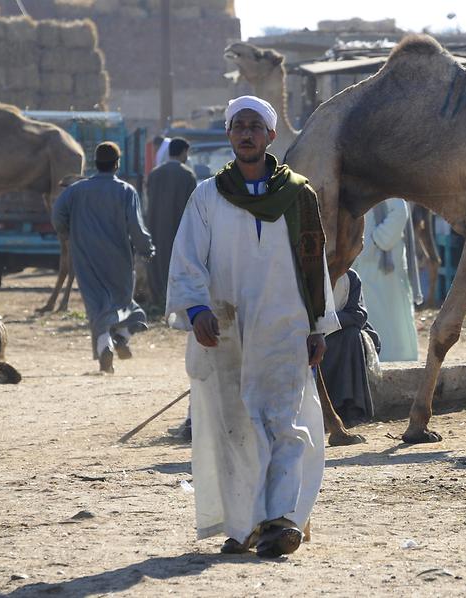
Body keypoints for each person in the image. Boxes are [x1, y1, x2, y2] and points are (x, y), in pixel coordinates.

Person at [165, 95, 338, 557]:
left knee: (283, 422)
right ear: (229, 134)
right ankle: (243, 525)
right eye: (238, 125)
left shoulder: (299, 195)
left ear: (270, 136)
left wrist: (318, 325)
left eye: (254, 126)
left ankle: (281, 520)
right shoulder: (207, 195)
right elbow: (186, 258)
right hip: (226, 329)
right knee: (234, 427)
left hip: (285, 326)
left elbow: (313, 265)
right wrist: (197, 310)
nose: (246, 133)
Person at [52, 142, 155, 374]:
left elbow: (58, 215)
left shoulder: (75, 190)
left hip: (85, 257)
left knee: (96, 306)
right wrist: (146, 249)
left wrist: (68, 233)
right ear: (117, 164)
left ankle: (104, 345)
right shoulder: (126, 191)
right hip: (119, 258)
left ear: (96, 163)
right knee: (127, 306)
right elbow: (136, 227)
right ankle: (121, 337)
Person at [353, 198, 422, 362]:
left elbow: (400, 212)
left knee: (392, 321)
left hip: (385, 266)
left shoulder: (382, 177)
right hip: (363, 264)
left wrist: (375, 241)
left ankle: (397, 359)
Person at [323, 269, 381, 426]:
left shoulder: (349, 277)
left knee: (353, 336)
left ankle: (350, 409)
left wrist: (323, 323)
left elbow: (358, 315)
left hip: (338, 338)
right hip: (308, 340)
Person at [145, 137, 197, 307]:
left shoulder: (154, 173)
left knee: (156, 263)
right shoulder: (187, 175)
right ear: (183, 152)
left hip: (154, 226)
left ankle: (157, 299)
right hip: (178, 227)